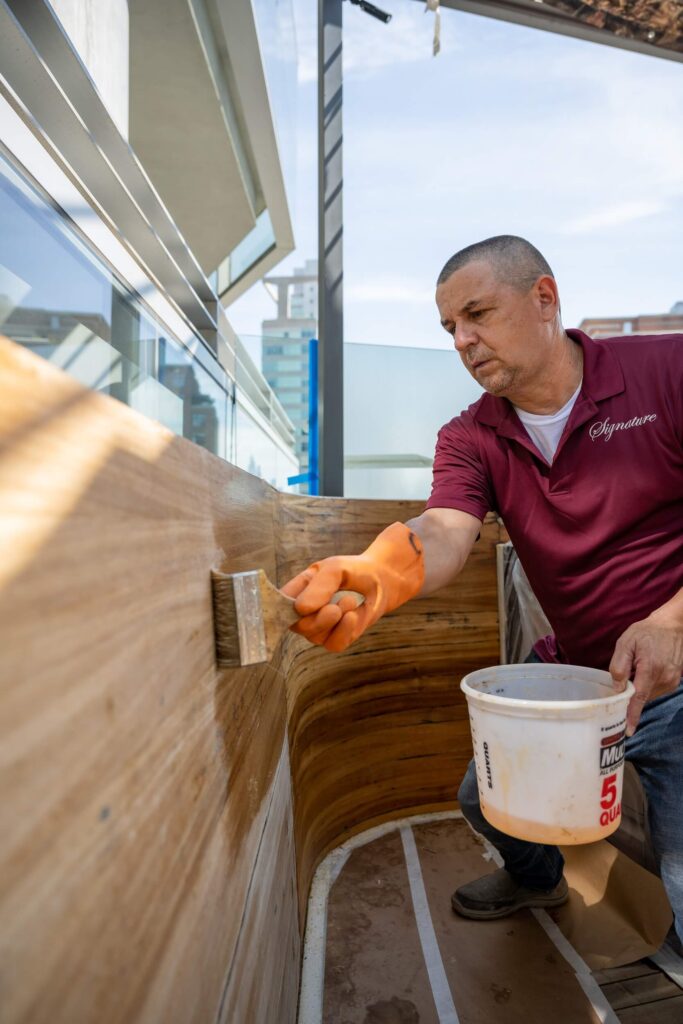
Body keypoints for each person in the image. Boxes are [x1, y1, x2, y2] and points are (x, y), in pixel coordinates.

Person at [281, 235, 683, 945]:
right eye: (449, 330)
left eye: (477, 314)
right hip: (583, 673)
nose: (463, 342)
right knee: (483, 796)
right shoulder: (469, 436)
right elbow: (442, 530)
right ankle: (536, 881)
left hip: (677, 674)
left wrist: (672, 624)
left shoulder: (668, 369)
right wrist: (377, 574)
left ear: (544, 298)